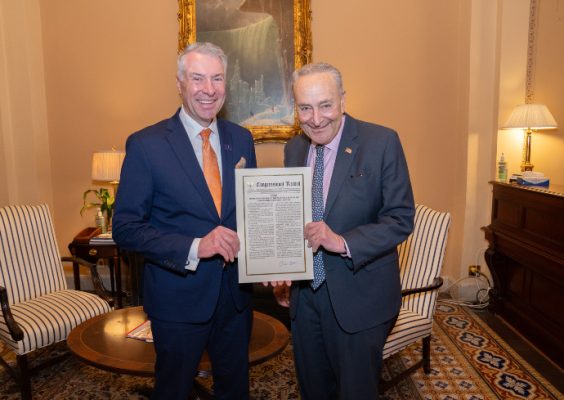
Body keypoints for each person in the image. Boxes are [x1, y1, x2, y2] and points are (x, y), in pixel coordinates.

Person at [112, 42, 257, 400]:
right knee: (174, 390)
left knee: (235, 388)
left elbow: (250, 213)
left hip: (235, 298)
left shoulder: (241, 139)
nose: (209, 89)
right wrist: (196, 246)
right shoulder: (146, 145)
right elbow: (126, 228)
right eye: (198, 78)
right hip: (178, 299)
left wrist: (275, 259)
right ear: (179, 83)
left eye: (217, 78)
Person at [274, 62, 415, 399]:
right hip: (306, 297)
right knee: (313, 388)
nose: (316, 118)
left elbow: (400, 218)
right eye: (305, 108)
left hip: (360, 296)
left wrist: (341, 241)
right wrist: (282, 268)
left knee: (355, 391)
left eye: (325, 105)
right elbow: (293, 219)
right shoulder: (294, 149)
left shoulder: (381, 142)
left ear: (343, 101)